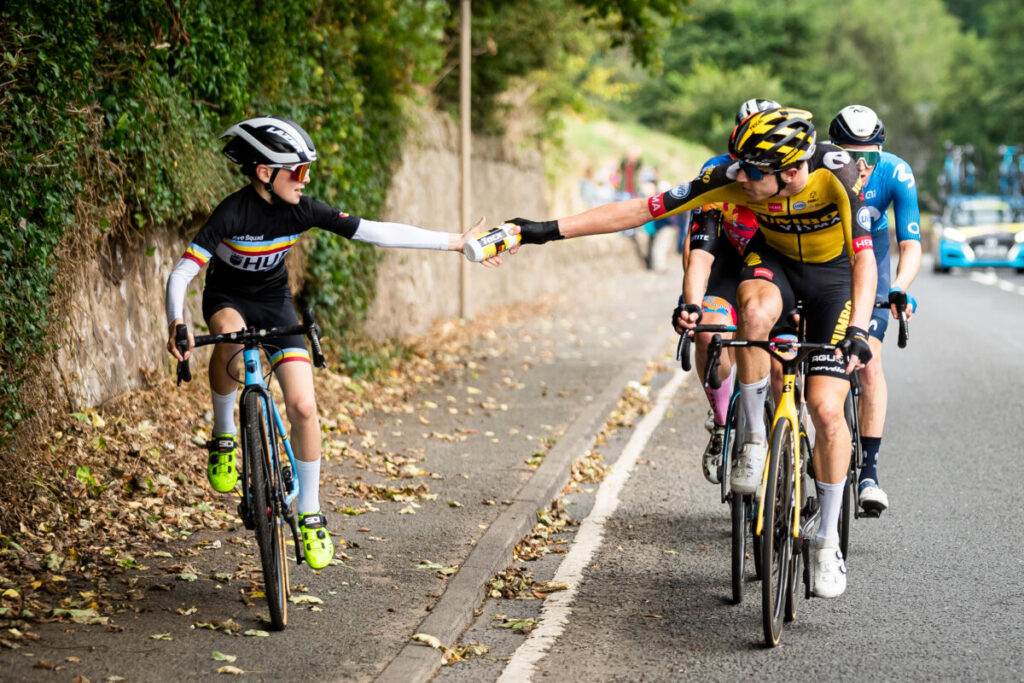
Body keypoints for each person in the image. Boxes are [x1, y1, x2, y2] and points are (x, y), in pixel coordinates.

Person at [501, 107, 876, 598]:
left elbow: (864, 256)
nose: (738, 176)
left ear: (789, 171)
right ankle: (755, 441)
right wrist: (542, 230)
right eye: (737, 167)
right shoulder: (731, 178)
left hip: (833, 280)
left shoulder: (835, 173)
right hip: (775, 263)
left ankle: (826, 541)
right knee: (753, 314)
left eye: (751, 171)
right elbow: (641, 209)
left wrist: (862, 329)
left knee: (827, 412)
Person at [164, 116, 486, 570]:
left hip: (276, 304)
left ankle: (311, 512)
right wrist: (176, 322)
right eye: (297, 171)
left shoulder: (302, 210)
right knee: (231, 349)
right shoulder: (231, 213)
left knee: (304, 407)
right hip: (228, 298)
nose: (306, 179)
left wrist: (454, 242)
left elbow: (375, 230)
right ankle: (224, 435)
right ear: (264, 173)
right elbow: (182, 272)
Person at [671, 98, 780, 484]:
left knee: (785, 364)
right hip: (728, 265)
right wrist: (692, 304)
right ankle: (720, 423)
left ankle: (790, 445)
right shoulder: (718, 173)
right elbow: (699, 253)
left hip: (776, 271)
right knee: (710, 335)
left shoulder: (791, 176)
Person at [828, 105, 920, 516]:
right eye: (851, 154)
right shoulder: (818, 168)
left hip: (874, 257)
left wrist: (899, 287)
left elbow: (910, 244)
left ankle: (868, 472)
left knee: (869, 359)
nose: (862, 165)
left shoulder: (896, 172)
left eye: (871, 156)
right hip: (826, 257)